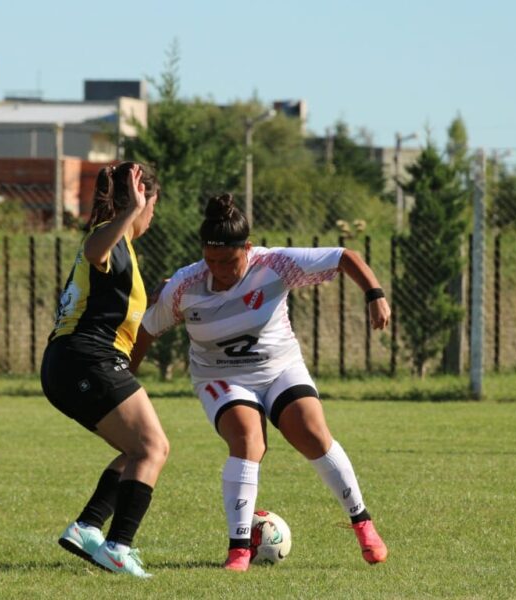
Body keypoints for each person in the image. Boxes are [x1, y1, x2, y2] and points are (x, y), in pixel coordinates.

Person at [132, 193, 391, 572]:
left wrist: (375, 294)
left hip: (279, 367)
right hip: (221, 376)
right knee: (248, 439)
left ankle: (363, 524)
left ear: (248, 249)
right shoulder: (185, 286)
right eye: (211, 260)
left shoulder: (275, 265)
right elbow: (146, 331)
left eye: (228, 260)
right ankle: (238, 550)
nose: (218, 269)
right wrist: (124, 380)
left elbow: (343, 257)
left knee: (313, 433)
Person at [40, 162, 168, 578]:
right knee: (152, 449)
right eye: (151, 206)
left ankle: (88, 527)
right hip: (84, 358)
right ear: (142, 200)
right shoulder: (111, 236)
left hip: (77, 360)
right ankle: (118, 547)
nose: (151, 216)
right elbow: (96, 251)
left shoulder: (122, 246)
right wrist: (132, 209)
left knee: (137, 451)